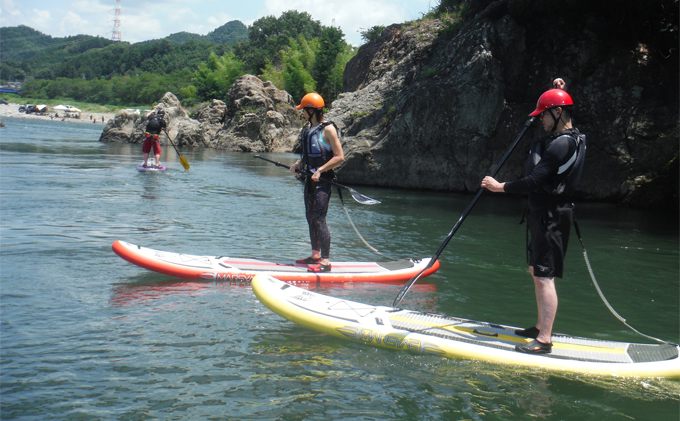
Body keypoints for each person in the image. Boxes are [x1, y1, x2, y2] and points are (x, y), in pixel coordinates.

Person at [480, 79, 586, 354]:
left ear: (558, 113)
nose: (540, 121)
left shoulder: (561, 145)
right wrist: (555, 86)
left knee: (544, 276)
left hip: (551, 216)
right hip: (543, 213)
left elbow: (534, 180)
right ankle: (540, 326)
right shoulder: (571, 138)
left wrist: (499, 187)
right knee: (535, 269)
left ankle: (544, 340)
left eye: (544, 115)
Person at [289, 93, 344, 273]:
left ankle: (326, 263)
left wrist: (321, 170)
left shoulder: (328, 130)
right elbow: (307, 155)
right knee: (310, 217)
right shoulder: (307, 130)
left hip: (323, 181)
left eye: (304, 110)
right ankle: (315, 255)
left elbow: (339, 157)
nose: (302, 113)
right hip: (309, 180)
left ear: (312, 110)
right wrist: (298, 164)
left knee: (320, 219)